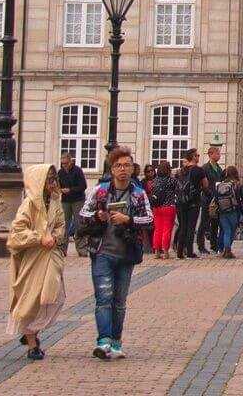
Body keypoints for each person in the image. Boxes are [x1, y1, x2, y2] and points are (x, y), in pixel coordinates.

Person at [77, 145, 153, 360]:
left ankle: (116, 341)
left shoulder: (138, 194)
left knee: (119, 301)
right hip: (102, 251)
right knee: (103, 298)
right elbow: (83, 214)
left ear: (132, 169)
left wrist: (128, 219)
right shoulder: (100, 191)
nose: (122, 169)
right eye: (118, 165)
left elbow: (149, 219)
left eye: (127, 165)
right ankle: (103, 341)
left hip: (126, 253)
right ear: (112, 169)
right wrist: (97, 216)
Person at [6, 163, 66, 360]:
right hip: (33, 259)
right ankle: (32, 344)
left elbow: (61, 225)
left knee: (53, 298)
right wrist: (38, 238)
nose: (53, 183)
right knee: (31, 300)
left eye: (54, 179)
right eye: (49, 180)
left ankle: (31, 333)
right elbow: (17, 231)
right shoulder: (29, 204)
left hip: (51, 257)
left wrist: (55, 237)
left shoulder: (55, 201)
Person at [174, 149, 204, 259]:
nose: (198, 157)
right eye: (197, 155)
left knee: (183, 227)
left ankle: (180, 251)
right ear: (193, 157)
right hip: (193, 202)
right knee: (191, 227)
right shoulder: (199, 170)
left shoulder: (180, 171)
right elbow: (205, 185)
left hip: (181, 202)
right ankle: (190, 252)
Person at [198, 145, 225, 256]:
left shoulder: (219, 168)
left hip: (217, 199)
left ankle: (214, 245)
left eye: (219, 154)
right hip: (207, 198)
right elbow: (203, 184)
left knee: (215, 222)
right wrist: (209, 193)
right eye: (217, 153)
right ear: (210, 154)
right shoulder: (205, 168)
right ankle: (201, 245)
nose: (219, 155)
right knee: (204, 223)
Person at [57, 155, 88, 255]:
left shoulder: (78, 171)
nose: (64, 165)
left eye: (66, 163)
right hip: (65, 200)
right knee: (64, 224)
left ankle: (82, 249)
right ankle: (62, 249)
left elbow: (83, 186)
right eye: (62, 163)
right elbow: (58, 185)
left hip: (78, 200)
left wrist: (70, 190)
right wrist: (60, 189)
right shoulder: (60, 172)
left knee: (79, 224)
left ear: (71, 162)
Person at [147, 161, 178, 258]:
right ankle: (165, 251)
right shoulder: (171, 180)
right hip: (168, 206)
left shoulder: (154, 181)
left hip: (156, 207)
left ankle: (157, 251)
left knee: (157, 229)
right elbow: (178, 189)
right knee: (167, 229)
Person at [213, 166, 243, 258]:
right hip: (234, 210)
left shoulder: (220, 185)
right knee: (232, 231)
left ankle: (223, 250)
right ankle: (227, 250)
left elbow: (216, 198)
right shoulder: (237, 185)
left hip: (222, 211)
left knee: (226, 230)